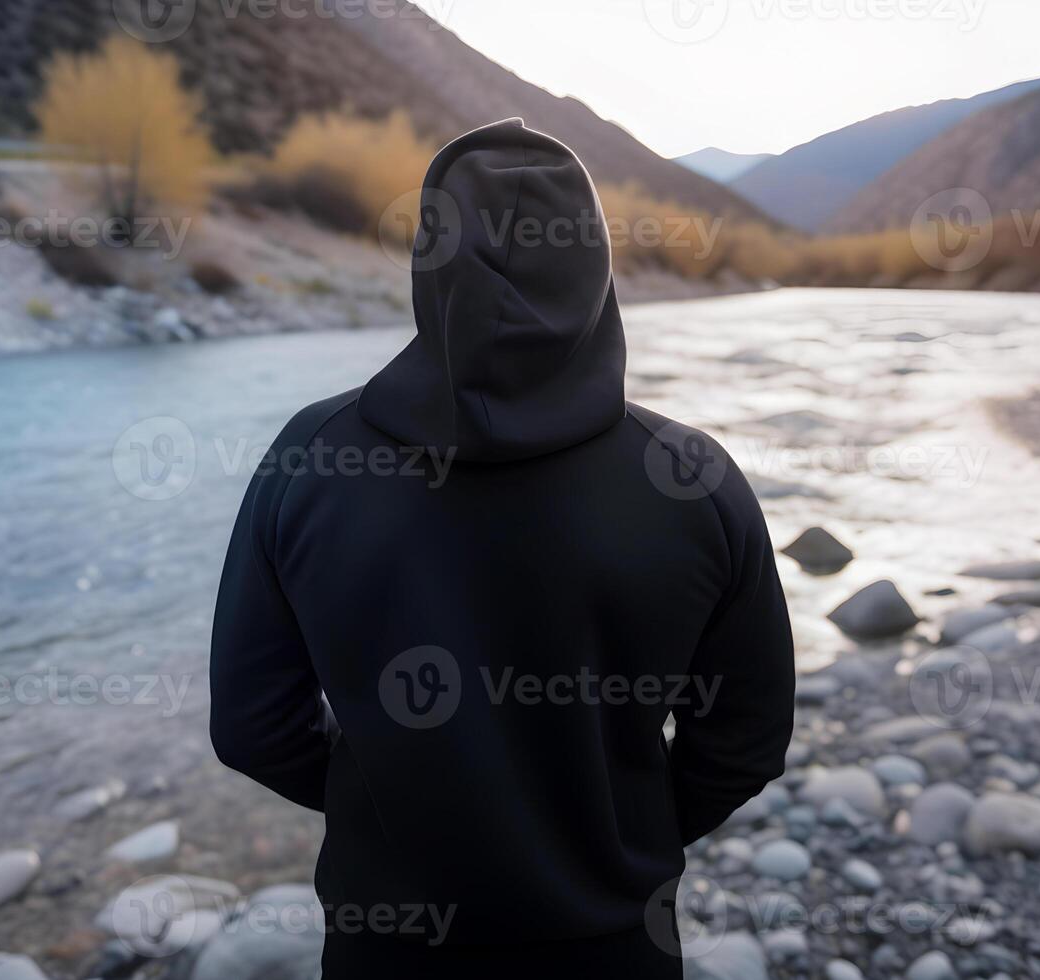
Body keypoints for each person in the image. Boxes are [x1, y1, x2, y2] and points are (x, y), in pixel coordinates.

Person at [210, 118, 795, 979]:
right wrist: (619, 829)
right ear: (592, 265)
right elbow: (746, 739)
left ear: (430, 260)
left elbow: (253, 727)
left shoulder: (312, 454)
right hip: (615, 948)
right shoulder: (692, 477)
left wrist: (380, 799)